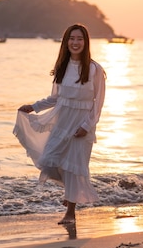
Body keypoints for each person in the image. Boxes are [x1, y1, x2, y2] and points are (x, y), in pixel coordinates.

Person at [14, 24, 106, 225]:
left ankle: (70, 213)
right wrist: (34, 106)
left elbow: (98, 104)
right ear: (66, 42)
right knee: (48, 161)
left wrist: (87, 126)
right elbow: (55, 98)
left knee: (74, 168)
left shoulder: (94, 69)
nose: (75, 42)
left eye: (79, 39)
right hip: (61, 122)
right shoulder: (62, 68)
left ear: (86, 42)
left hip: (81, 126)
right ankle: (72, 191)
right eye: (71, 39)